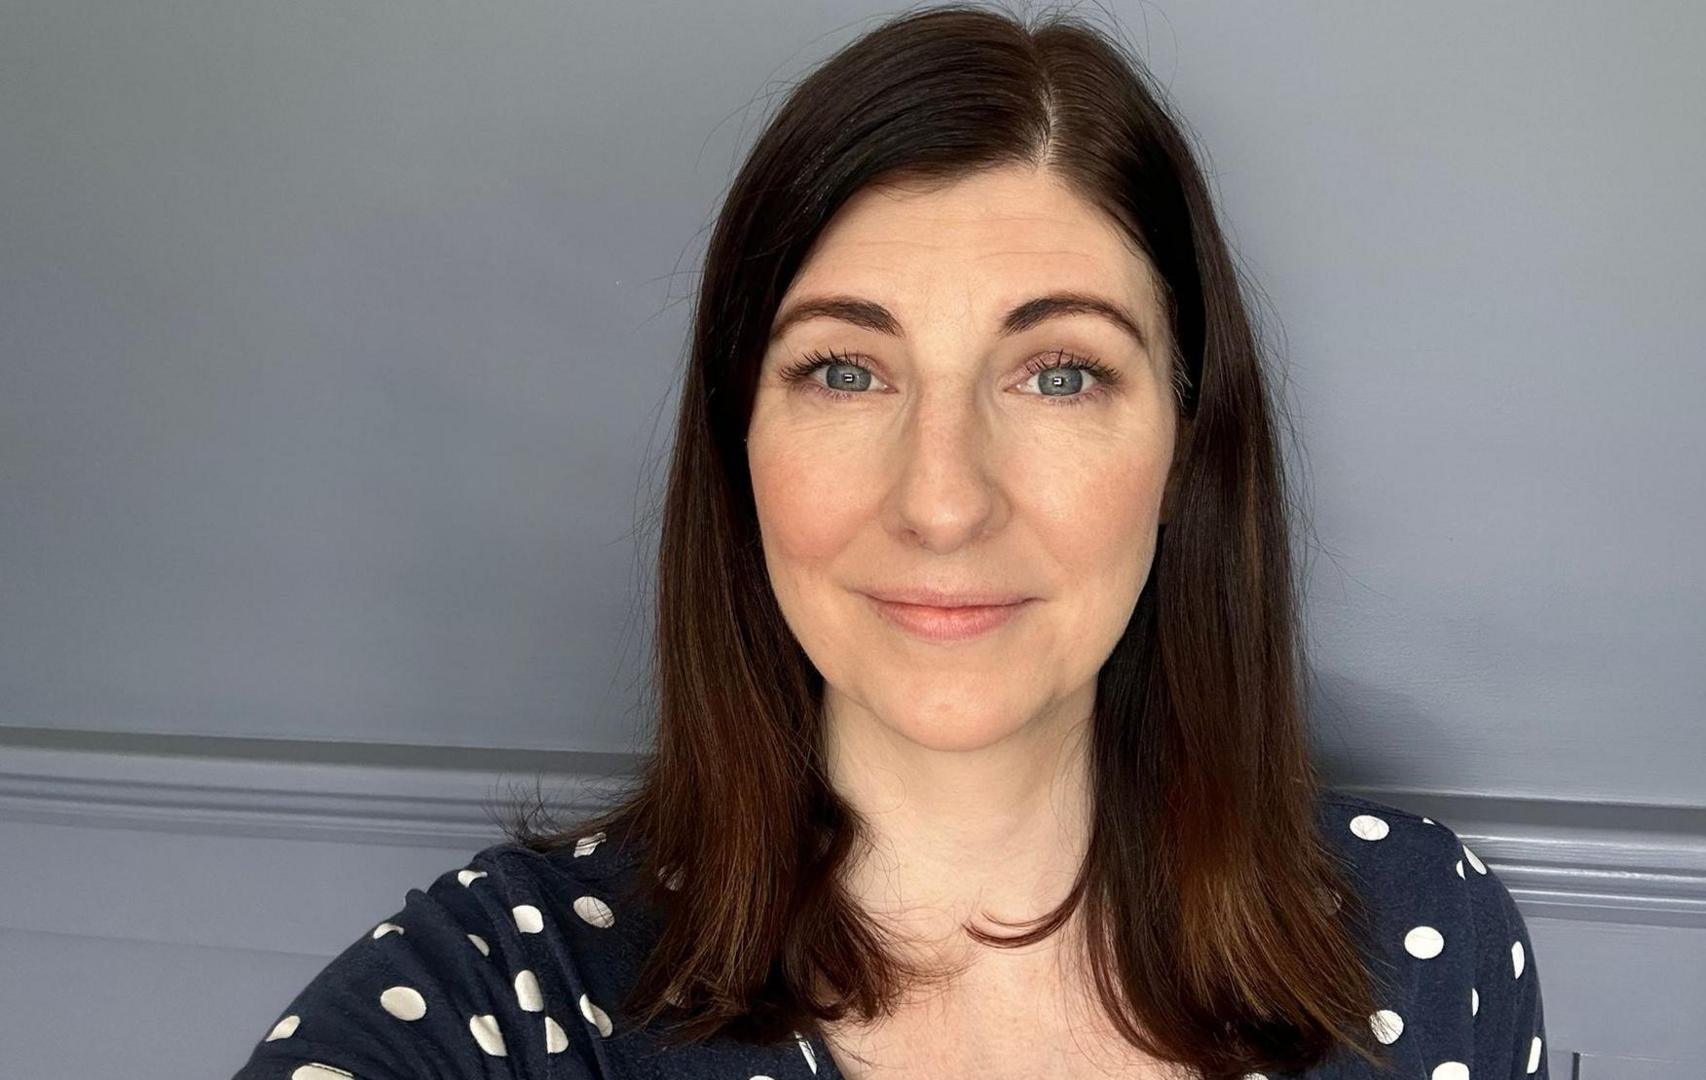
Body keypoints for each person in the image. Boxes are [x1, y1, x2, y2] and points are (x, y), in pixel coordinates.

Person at [231, 3, 1548, 1078]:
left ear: (1185, 449)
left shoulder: (1420, 937)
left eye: (1059, 373)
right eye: (846, 372)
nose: (941, 500)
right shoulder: (506, 994)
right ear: (739, 442)